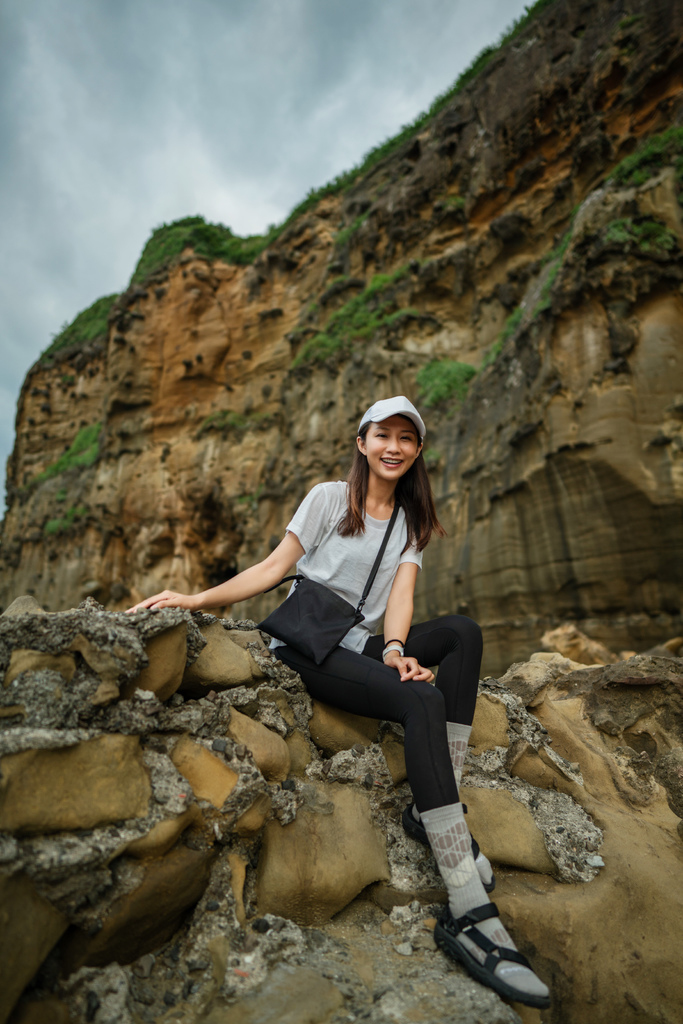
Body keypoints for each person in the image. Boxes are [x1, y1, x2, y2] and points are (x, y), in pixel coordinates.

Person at [128, 396, 550, 1010]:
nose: (394, 447)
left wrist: (397, 649)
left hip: (361, 642)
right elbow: (276, 567)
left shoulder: (410, 521)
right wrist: (195, 601)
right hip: (306, 644)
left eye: (407, 438)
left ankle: (437, 811)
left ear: (418, 451)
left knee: (462, 634)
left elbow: (401, 596)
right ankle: (470, 913)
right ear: (362, 441)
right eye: (384, 435)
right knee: (422, 706)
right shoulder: (329, 498)